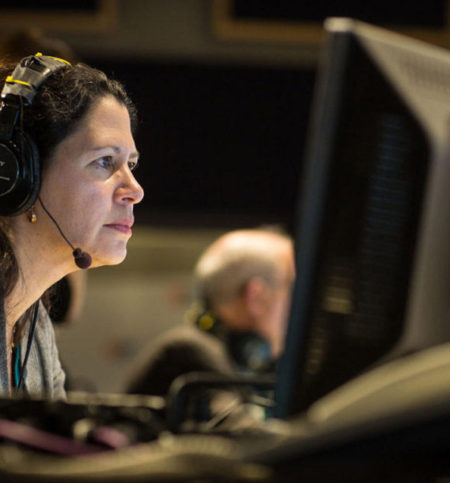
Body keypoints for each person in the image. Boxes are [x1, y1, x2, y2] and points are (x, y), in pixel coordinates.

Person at [0, 53, 144, 399]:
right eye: (104, 162)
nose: (134, 191)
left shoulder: (35, 329)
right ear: (21, 174)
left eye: (132, 165)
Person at [124, 228, 295, 398]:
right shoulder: (188, 353)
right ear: (257, 297)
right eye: (293, 290)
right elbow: (242, 425)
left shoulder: (233, 363)